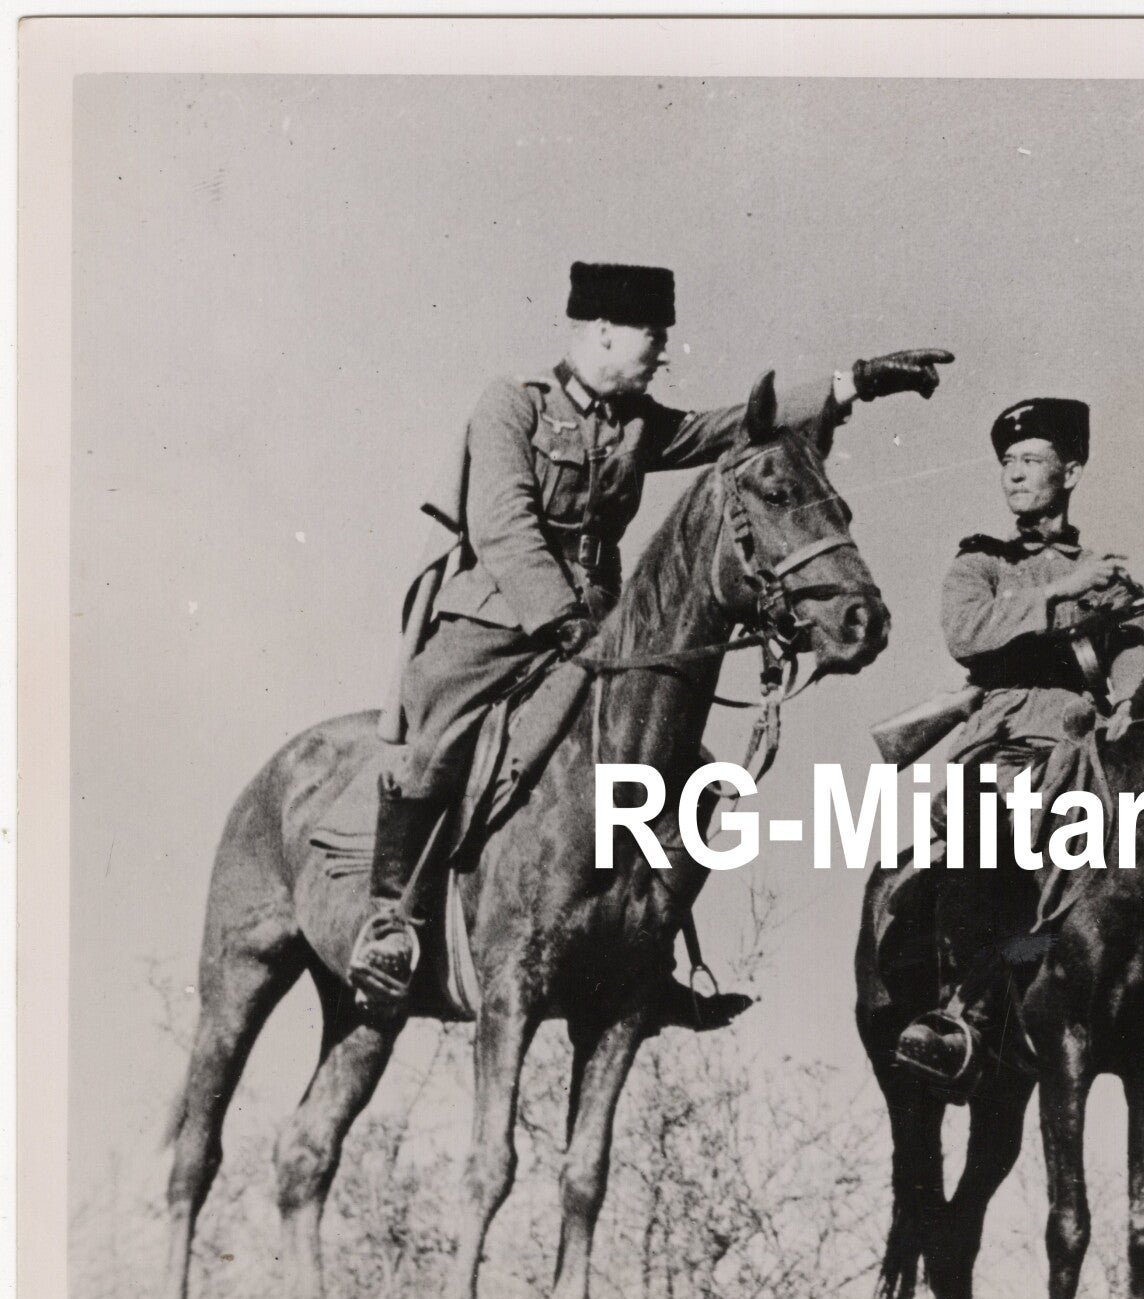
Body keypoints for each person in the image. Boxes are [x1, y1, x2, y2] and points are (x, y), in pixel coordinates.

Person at [349, 260, 952, 1009]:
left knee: (689, 779)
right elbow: (502, 525)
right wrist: (559, 617)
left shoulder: (638, 425)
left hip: (599, 632)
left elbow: (737, 423)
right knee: (436, 750)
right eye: (653, 337)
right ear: (602, 332)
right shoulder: (512, 406)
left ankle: (646, 955)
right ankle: (391, 925)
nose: (663, 353)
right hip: (497, 622)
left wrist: (853, 382)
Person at [888, 397, 1144, 1095]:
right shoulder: (981, 563)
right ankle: (964, 1010)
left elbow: (1131, 667)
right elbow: (968, 634)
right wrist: (1065, 593)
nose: (1014, 475)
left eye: (1031, 461)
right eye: (1007, 463)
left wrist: (1130, 709)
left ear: (1070, 471)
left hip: (1087, 748)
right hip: (1008, 739)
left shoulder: (1109, 575)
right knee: (978, 835)